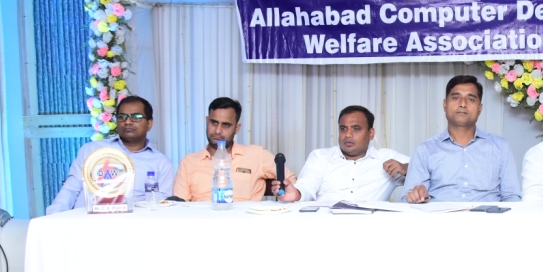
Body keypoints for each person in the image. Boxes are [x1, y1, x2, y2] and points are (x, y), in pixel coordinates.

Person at [403, 75, 521, 203]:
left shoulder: (500, 147)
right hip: (440, 215)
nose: (463, 104)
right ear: (445, 104)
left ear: (480, 108)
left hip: (486, 215)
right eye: (456, 98)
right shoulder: (425, 150)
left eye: (470, 99)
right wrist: (416, 195)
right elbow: (406, 200)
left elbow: (512, 197)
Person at [45, 96, 173, 214]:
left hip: (133, 224)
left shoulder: (161, 163)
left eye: (136, 117)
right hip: (86, 222)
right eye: (122, 117)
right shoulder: (92, 150)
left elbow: (160, 204)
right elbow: (71, 189)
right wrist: (52, 217)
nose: (128, 122)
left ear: (149, 124)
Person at [277, 105, 409, 203]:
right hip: (325, 224)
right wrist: (296, 194)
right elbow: (307, 186)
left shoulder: (386, 158)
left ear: (371, 133)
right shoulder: (320, 157)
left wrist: (406, 168)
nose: (348, 135)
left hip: (369, 227)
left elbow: (421, 170)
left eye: (356, 129)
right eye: (343, 128)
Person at [172, 97, 294, 202]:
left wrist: (281, 191)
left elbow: (293, 181)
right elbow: (179, 206)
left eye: (226, 125)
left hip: (245, 220)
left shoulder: (257, 155)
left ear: (237, 128)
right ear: (207, 121)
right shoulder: (188, 162)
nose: (218, 130)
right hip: (202, 220)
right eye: (214, 123)